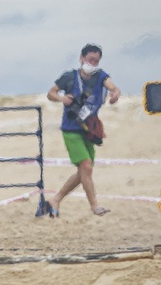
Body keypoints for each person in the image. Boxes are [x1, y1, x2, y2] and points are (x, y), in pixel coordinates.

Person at [44, 44, 120, 217]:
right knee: (86, 166)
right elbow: (50, 93)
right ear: (81, 58)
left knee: (84, 171)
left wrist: (115, 94)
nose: (93, 63)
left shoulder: (101, 76)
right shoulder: (69, 77)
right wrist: (61, 98)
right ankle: (95, 206)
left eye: (96, 60)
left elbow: (113, 87)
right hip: (71, 129)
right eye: (90, 59)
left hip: (89, 130)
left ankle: (55, 199)